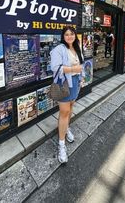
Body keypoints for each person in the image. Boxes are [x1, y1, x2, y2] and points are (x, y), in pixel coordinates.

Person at [50, 26, 84, 164]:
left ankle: (66, 128)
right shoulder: (59, 49)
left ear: (75, 35)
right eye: (66, 34)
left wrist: (81, 77)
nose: (69, 36)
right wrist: (72, 69)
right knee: (64, 112)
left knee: (71, 107)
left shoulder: (77, 47)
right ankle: (61, 144)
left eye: (72, 34)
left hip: (75, 81)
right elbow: (54, 67)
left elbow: (81, 64)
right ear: (63, 36)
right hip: (64, 83)